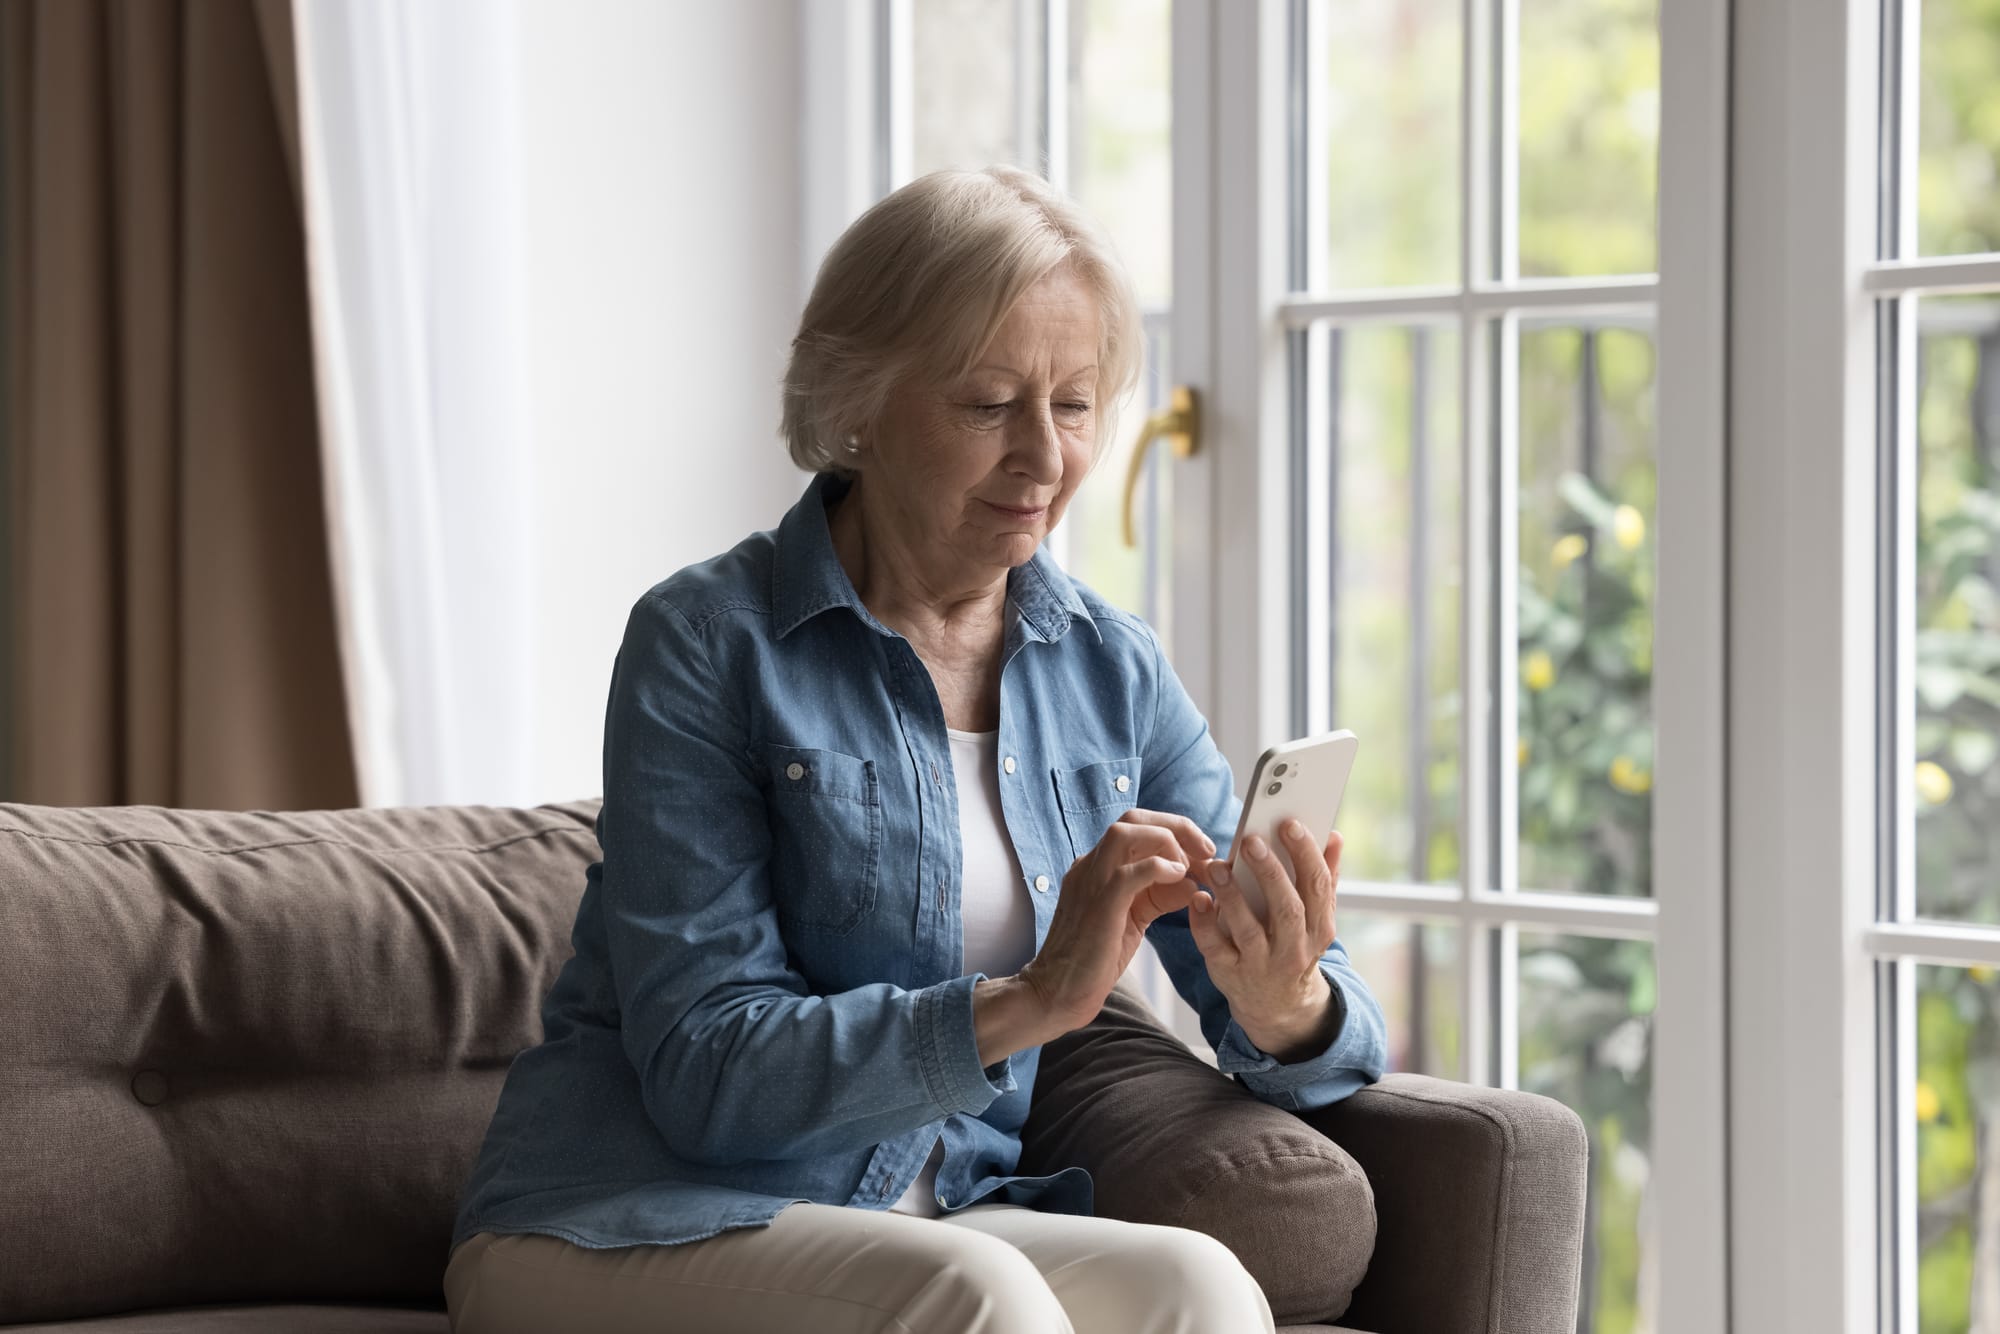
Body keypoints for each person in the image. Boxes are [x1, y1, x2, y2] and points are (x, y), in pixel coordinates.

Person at [444, 165, 1387, 1334]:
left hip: (925, 1215)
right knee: (974, 1294)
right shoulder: (703, 642)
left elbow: (1328, 1034)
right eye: (988, 403)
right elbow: (709, 1075)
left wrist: (1281, 992)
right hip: (625, 1215)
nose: (1043, 459)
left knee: (1198, 1286)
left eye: (1076, 404)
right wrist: (1031, 996)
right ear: (857, 405)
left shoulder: (1110, 669)